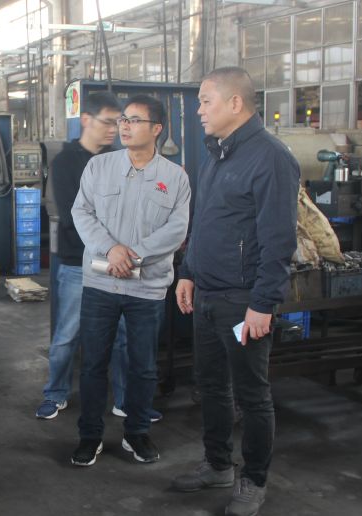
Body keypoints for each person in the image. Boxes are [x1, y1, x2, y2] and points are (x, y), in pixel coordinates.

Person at [172, 67, 298, 516]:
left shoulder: (271, 158)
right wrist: (188, 271)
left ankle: (254, 480)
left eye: (205, 101)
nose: (199, 110)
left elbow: (279, 239)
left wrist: (263, 303)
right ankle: (218, 464)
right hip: (207, 294)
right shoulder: (217, 154)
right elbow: (204, 221)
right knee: (210, 386)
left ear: (235, 103)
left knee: (251, 395)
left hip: (243, 301)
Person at [70, 95, 190, 467]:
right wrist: (111, 249)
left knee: (143, 366)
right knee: (93, 364)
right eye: (123, 119)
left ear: (157, 129)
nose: (124, 126)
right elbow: (82, 212)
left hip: (147, 287)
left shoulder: (175, 177)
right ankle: (90, 436)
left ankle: (136, 433)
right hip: (101, 283)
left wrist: (132, 256)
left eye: (135, 120)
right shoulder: (99, 167)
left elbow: (177, 229)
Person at [37, 91, 161, 422]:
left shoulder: (121, 160)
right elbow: (74, 215)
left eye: (118, 122)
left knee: (121, 336)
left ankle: (124, 399)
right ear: (86, 120)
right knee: (68, 334)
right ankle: (55, 393)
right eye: (108, 122)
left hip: (117, 263)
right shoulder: (65, 163)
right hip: (78, 262)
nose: (114, 129)